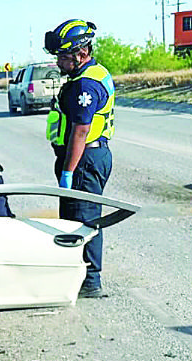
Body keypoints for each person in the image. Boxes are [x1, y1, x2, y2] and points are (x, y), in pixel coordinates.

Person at [44, 19, 115, 298]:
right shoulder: (90, 73)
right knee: (76, 218)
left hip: (84, 159)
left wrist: (68, 171)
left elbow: (80, 131)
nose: (58, 62)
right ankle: (76, 273)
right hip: (87, 157)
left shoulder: (85, 84)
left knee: (83, 220)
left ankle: (90, 281)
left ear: (81, 54)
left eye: (63, 56)